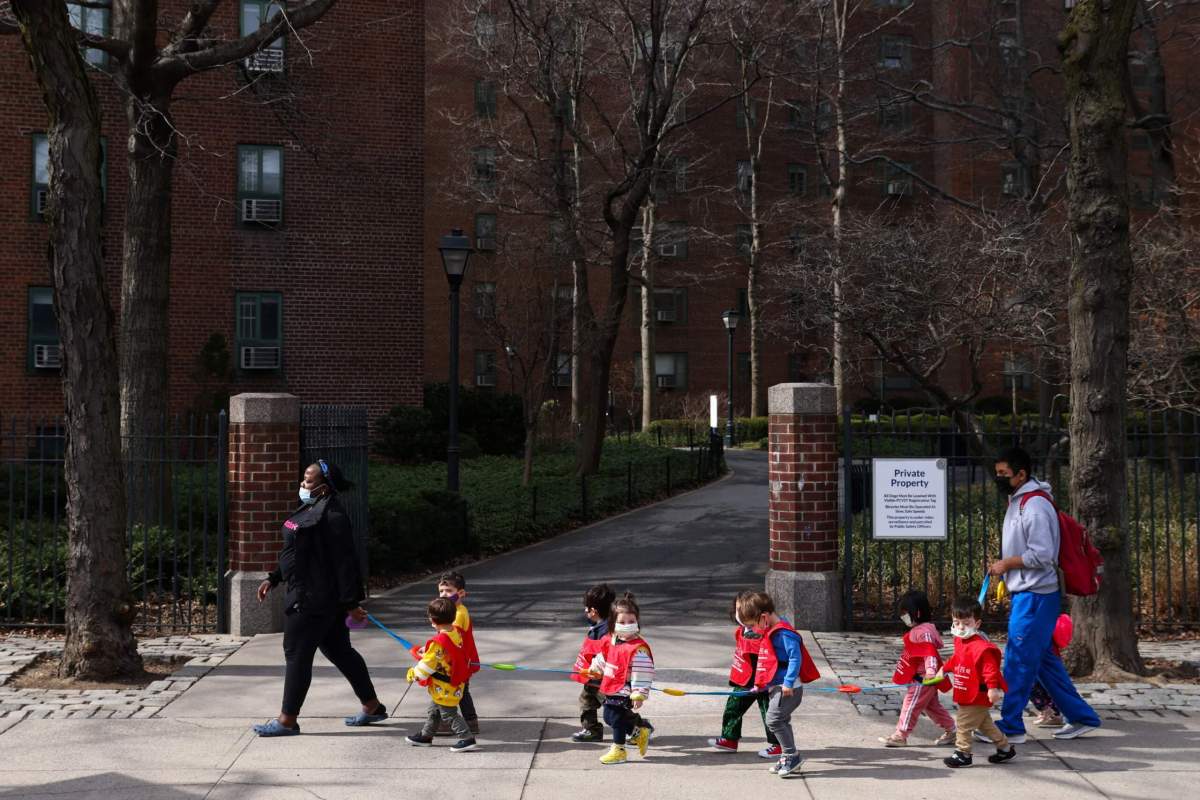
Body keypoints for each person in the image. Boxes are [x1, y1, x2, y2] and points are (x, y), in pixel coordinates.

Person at [253, 460, 385, 737]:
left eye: (309, 481)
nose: (303, 485)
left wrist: (351, 604)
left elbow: (345, 564)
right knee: (339, 651)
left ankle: (287, 720)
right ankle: (372, 706)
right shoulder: (310, 509)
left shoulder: (333, 517)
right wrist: (274, 577)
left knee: (297, 655)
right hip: (315, 595)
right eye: (303, 479)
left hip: (313, 599)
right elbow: (298, 552)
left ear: (324, 488)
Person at [988, 447, 1101, 742]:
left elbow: (1042, 554)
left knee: (1019, 660)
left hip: (1035, 594)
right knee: (1042, 661)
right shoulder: (1020, 500)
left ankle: (1010, 727)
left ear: (1021, 474)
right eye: (997, 473)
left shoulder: (1034, 506)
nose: (998, 478)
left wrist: (1006, 564)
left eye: (1003, 474)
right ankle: (1082, 717)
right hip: (1031, 593)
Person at [737, 591, 819, 779]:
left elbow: (794, 657)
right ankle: (788, 756)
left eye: (753, 624)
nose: (753, 629)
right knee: (781, 721)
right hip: (776, 687)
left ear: (763, 617)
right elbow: (768, 660)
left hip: (788, 688)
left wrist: (788, 682)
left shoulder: (783, 633)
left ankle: (792, 756)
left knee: (773, 719)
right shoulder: (771, 630)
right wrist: (761, 684)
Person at [934, 596, 1015, 768]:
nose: (961, 627)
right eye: (956, 623)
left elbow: (990, 670)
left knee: (963, 724)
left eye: (966, 623)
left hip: (977, 693)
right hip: (967, 690)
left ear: (977, 624)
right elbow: (957, 659)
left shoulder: (981, 647)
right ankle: (1005, 748)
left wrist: (993, 689)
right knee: (985, 724)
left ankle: (963, 754)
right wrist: (945, 669)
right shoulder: (960, 641)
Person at [708, 591, 781, 758]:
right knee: (733, 707)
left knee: (769, 714)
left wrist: (765, 682)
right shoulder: (742, 631)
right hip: (745, 679)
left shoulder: (766, 631)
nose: (738, 614)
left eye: (741, 610)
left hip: (764, 682)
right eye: (736, 610)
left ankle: (778, 744)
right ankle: (729, 738)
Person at [879, 590, 956, 747]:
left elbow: (929, 653)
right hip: (923, 676)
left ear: (918, 613)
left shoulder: (923, 632)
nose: (904, 617)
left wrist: (930, 672)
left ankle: (900, 735)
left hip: (924, 678)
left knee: (911, 704)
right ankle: (953, 730)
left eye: (907, 613)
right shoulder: (922, 630)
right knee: (932, 707)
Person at [588, 593, 655, 765]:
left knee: (614, 717)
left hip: (624, 688)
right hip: (611, 684)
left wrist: (638, 693)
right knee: (610, 718)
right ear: (613, 623)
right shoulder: (613, 641)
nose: (628, 625)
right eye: (623, 622)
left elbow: (643, 672)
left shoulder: (637, 648)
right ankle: (639, 733)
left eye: (631, 621)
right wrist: (596, 668)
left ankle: (619, 749)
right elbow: (605, 657)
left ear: (637, 622)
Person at [404, 597, 479, 752]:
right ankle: (426, 736)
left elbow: (428, 664)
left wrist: (414, 674)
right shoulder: (454, 632)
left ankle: (467, 738)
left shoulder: (438, 641)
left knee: (449, 714)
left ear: (432, 620)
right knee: (434, 710)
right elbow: (445, 651)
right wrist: (427, 649)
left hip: (445, 686)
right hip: (453, 682)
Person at [435, 572, 480, 735]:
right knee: (461, 690)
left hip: (460, 660)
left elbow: (448, 637)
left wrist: (431, 649)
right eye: (441, 591)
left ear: (461, 593)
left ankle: (449, 722)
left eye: (448, 591)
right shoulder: (454, 610)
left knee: (451, 689)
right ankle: (470, 721)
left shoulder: (458, 614)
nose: (443, 595)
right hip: (459, 659)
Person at [570, 583, 615, 743]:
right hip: (592, 677)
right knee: (586, 700)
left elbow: (606, 654)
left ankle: (637, 727)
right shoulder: (598, 625)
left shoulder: (606, 630)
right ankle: (591, 729)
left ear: (594, 611)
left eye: (587, 608)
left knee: (614, 708)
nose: (585, 611)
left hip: (603, 678)